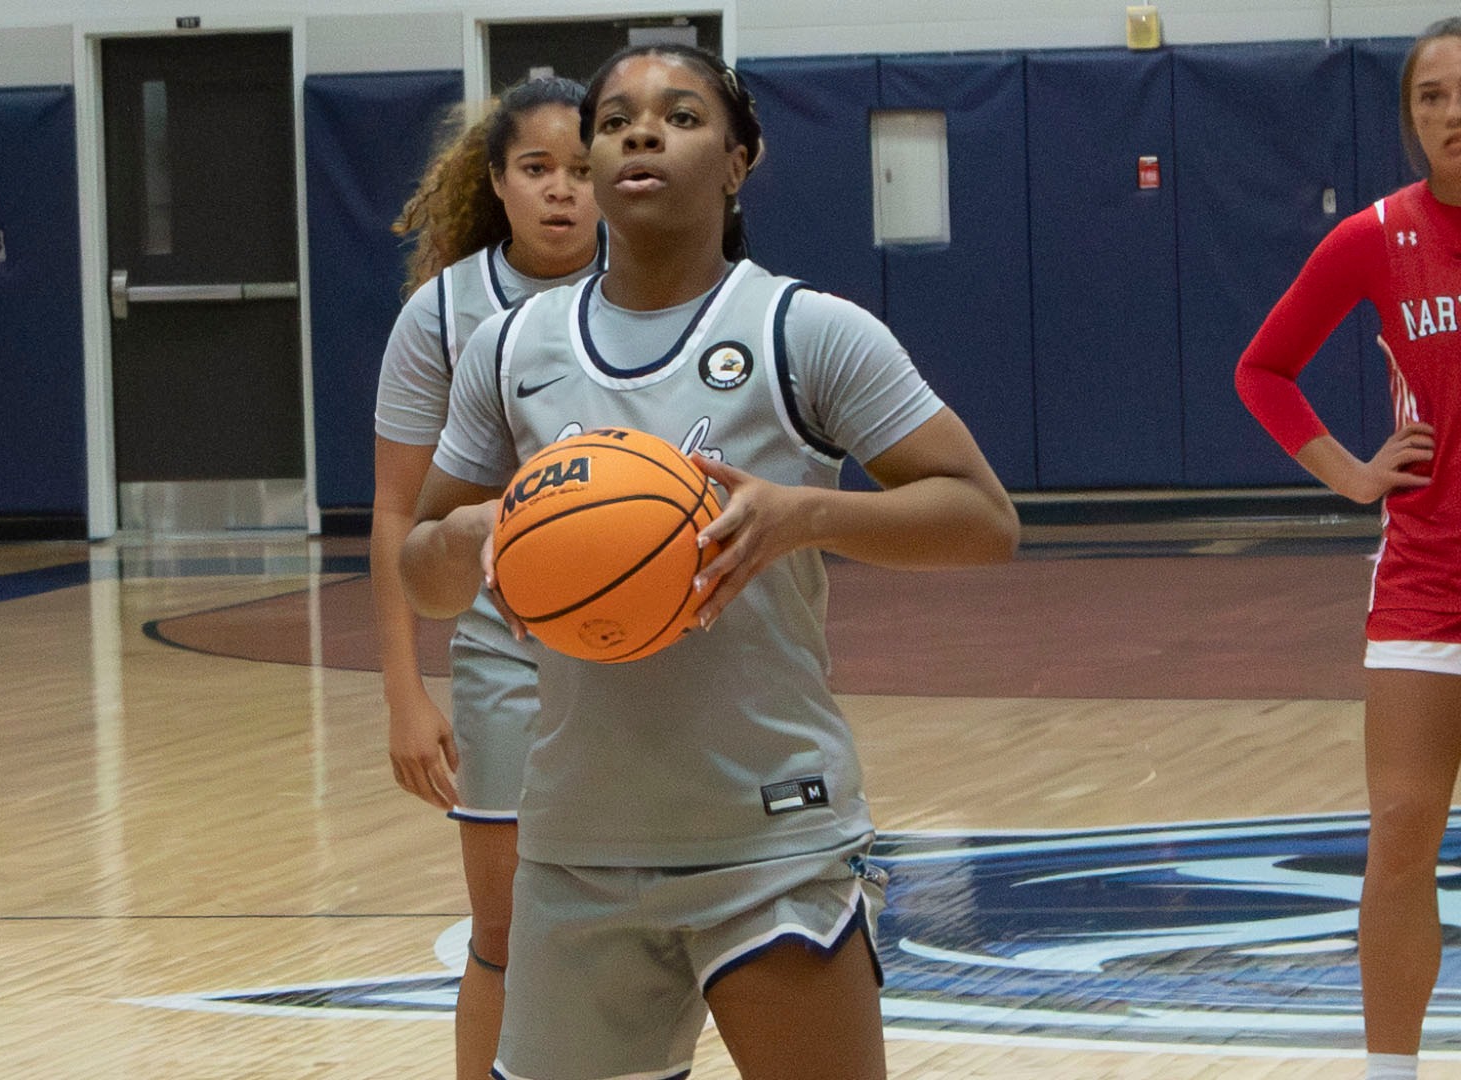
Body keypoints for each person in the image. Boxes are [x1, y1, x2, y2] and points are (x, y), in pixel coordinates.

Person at [402, 44, 1018, 1080]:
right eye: (615, 120)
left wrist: (806, 516)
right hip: (577, 843)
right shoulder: (511, 350)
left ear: (739, 161)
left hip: (770, 837)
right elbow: (423, 566)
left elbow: (982, 518)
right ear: (594, 160)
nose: (641, 133)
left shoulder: (804, 332)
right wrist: (471, 538)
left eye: (681, 116)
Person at [1235, 19, 1461, 1080]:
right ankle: (1392, 1073)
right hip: (1426, 579)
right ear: (1410, 118)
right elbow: (1265, 369)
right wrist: (1352, 472)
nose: (1453, 113)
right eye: (1431, 97)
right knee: (1403, 831)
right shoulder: (1374, 235)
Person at [370, 76, 602, 1080]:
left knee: (650, 926)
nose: (563, 192)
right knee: (506, 935)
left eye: (584, 171)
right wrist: (404, 696)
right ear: (495, 184)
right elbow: (395, 514)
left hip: (644, 655)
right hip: (505, 649)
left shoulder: (666, 286)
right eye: (537, 169)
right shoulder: (442, 314)